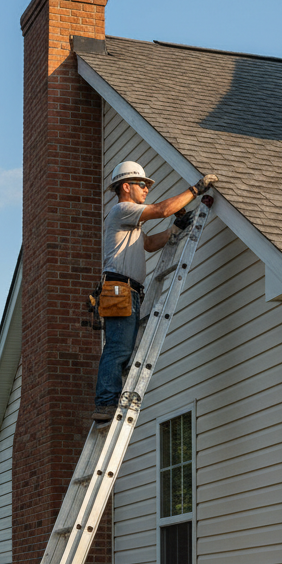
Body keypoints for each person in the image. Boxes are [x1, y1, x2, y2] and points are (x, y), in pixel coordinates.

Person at [91, 162, 218, 423]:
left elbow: (148, 244)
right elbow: (161, 210)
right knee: (118, 348)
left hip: (128, 290)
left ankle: (107, 400)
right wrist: (195, 189)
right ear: (126, 187)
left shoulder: (131, 222)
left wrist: (174, 230)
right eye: (142, 184)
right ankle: (105, 403)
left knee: (121, 348)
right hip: (119, 288)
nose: (146, 189)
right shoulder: (121, 209)